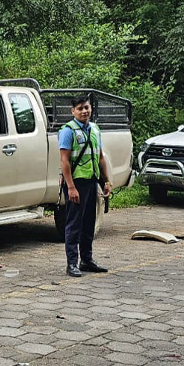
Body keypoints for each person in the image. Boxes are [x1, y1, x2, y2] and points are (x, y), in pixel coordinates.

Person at [59, 95, 112, 277]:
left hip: (91, 181)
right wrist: (71, 187)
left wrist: (106, 181)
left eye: (87, 107)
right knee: (74, 225)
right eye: (80, 108)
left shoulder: (95, 129)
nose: (84, 111)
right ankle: (71, 263)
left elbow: (101, 157)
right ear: (73, 111)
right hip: (76, 183)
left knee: (89, 224)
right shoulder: (68, 131)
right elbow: (64, 161)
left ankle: (87, 260)